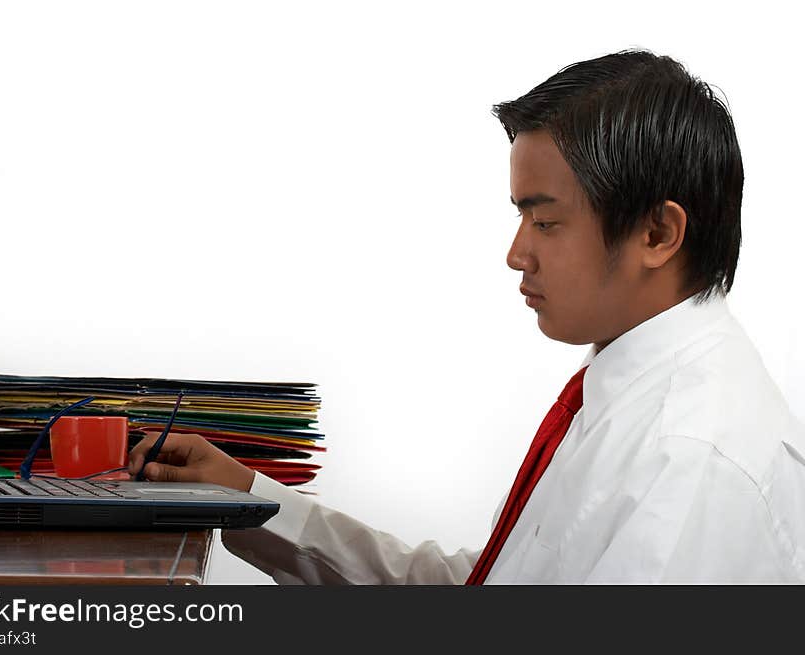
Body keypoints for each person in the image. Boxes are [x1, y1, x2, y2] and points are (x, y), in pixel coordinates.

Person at [128, 49, 805, 584]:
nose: (517, 254)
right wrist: (251, 498)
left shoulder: (691, 459)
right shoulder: (628, 388)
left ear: (657, 233)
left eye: (545, 220)